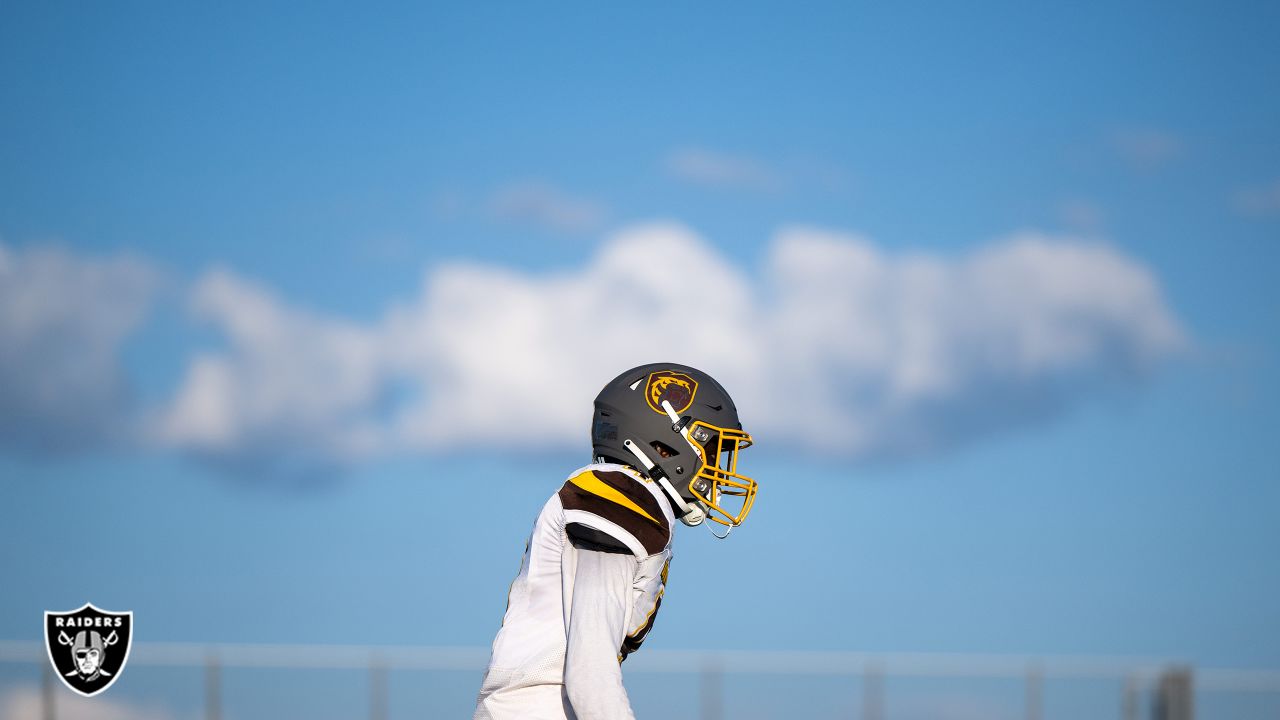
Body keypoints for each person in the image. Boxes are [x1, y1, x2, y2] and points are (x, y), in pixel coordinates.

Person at [474, 363, 758, 720]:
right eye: (712, 448)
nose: (719, 468)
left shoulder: (637, 499)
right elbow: (589, 673)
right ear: (669, 440)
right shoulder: (620, 494)